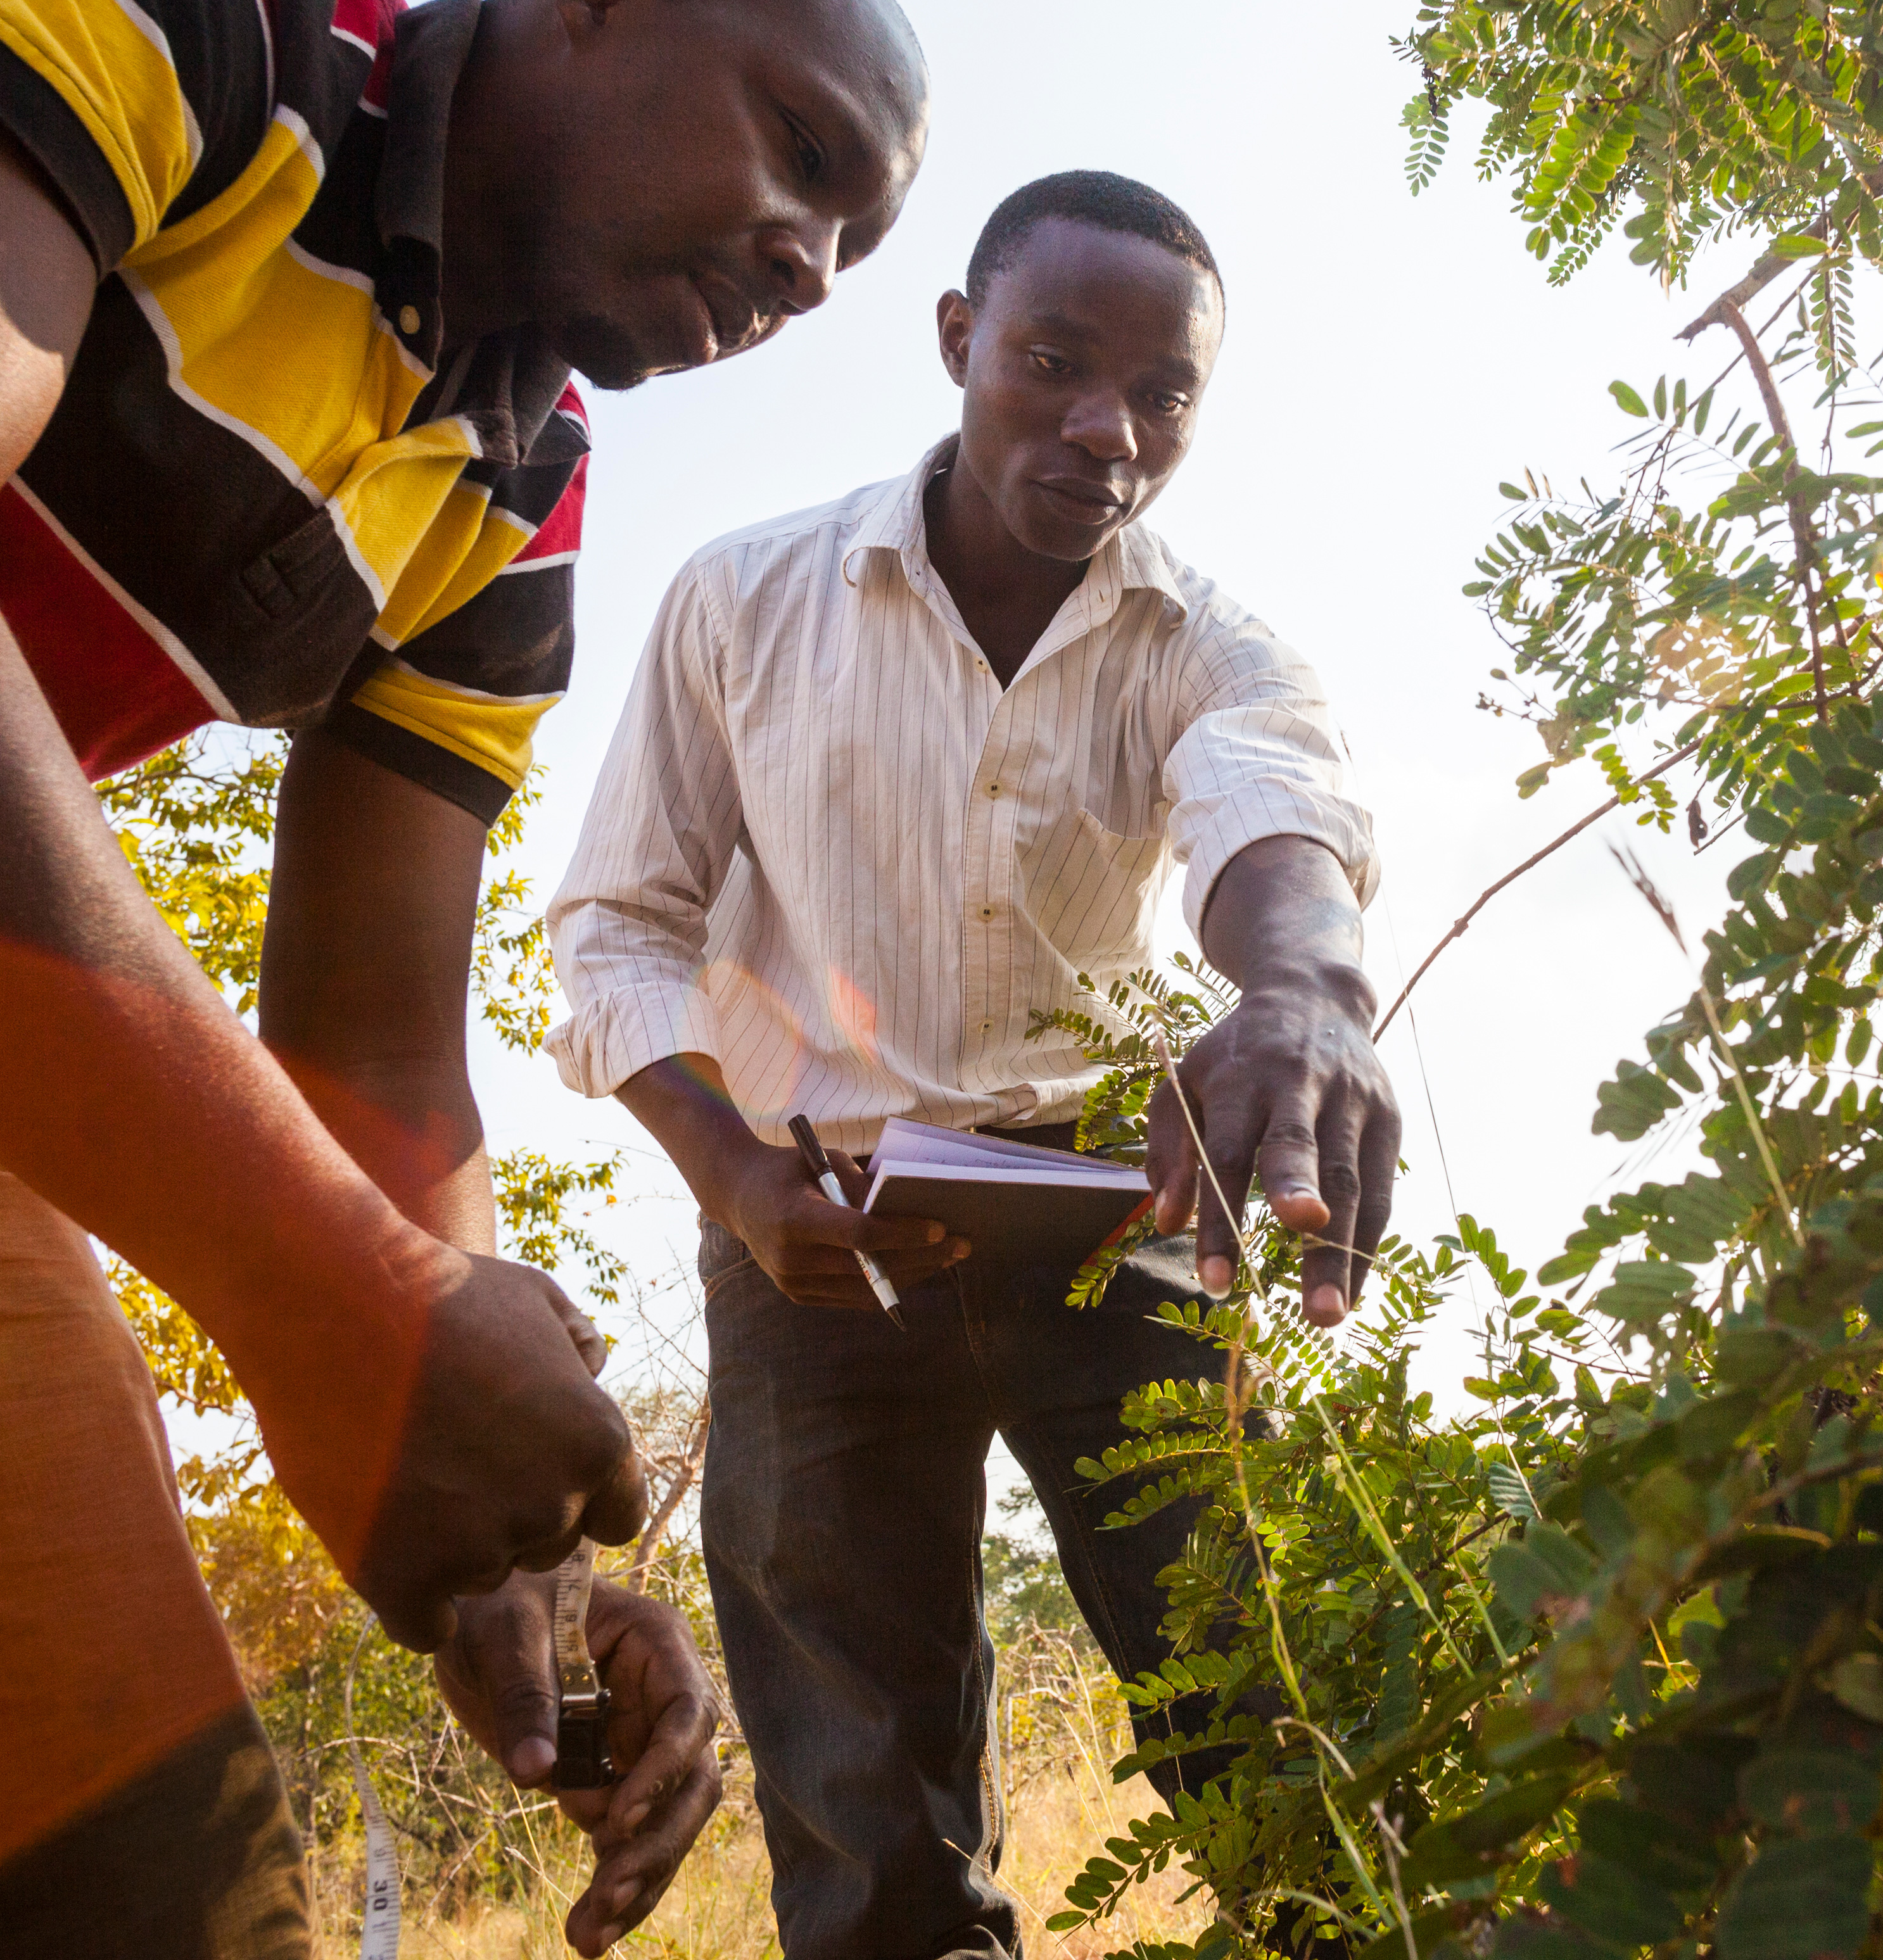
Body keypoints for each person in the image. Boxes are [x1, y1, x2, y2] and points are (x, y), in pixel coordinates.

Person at [0, 0, 930, 1958]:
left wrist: (502, 1545)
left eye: (852, 247)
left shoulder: (513, 493)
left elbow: (373, 1054)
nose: (807, 265)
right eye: (801, 154)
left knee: (113, 1896)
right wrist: (336, 1305)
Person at [548, 168, 1398, 1959]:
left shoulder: (1206, 640)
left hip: (1116, 1202)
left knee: (1279, 1709)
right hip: (812, 1227)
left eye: (1163, 394)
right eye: (1054, 362)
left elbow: (1277, 811)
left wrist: (1303, 989)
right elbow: (619, 922)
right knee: (864, 1812)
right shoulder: (742, 599)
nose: (1109, 430)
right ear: (959, 341)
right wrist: (733, 1175)